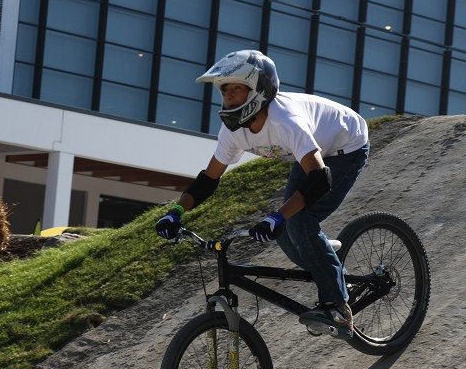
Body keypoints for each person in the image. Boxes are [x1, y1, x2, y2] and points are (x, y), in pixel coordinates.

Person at [155, 50, 370, 338]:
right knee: (285, 228)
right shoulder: (233, 131)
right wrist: (175, 212)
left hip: (346, 144)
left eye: (236, 88)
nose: (229, 95)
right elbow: (208, 179)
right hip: (309, 153)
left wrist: (277, 217)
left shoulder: (286, 121)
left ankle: (337, 307)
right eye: (225, 89)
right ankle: (333, 272)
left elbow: (320, 180)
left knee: (299, 221)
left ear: (258, 90)